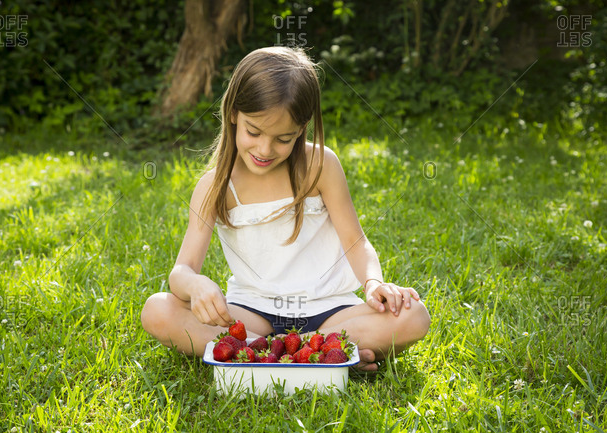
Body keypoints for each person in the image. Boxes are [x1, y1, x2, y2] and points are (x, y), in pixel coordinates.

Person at [141, 46, 430, 370]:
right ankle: (321, 354)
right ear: (234, 113)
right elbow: (181, 272)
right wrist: (195, 285)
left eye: (283, 138)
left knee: (414, 316)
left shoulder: (320, 164)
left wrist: (374, 284)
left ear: (302, 127)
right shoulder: (215, 186)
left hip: (329, 311)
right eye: (254, 131)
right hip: (252, 315)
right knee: (159, 311)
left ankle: (286, 352)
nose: (265, 149)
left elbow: (356, 241)